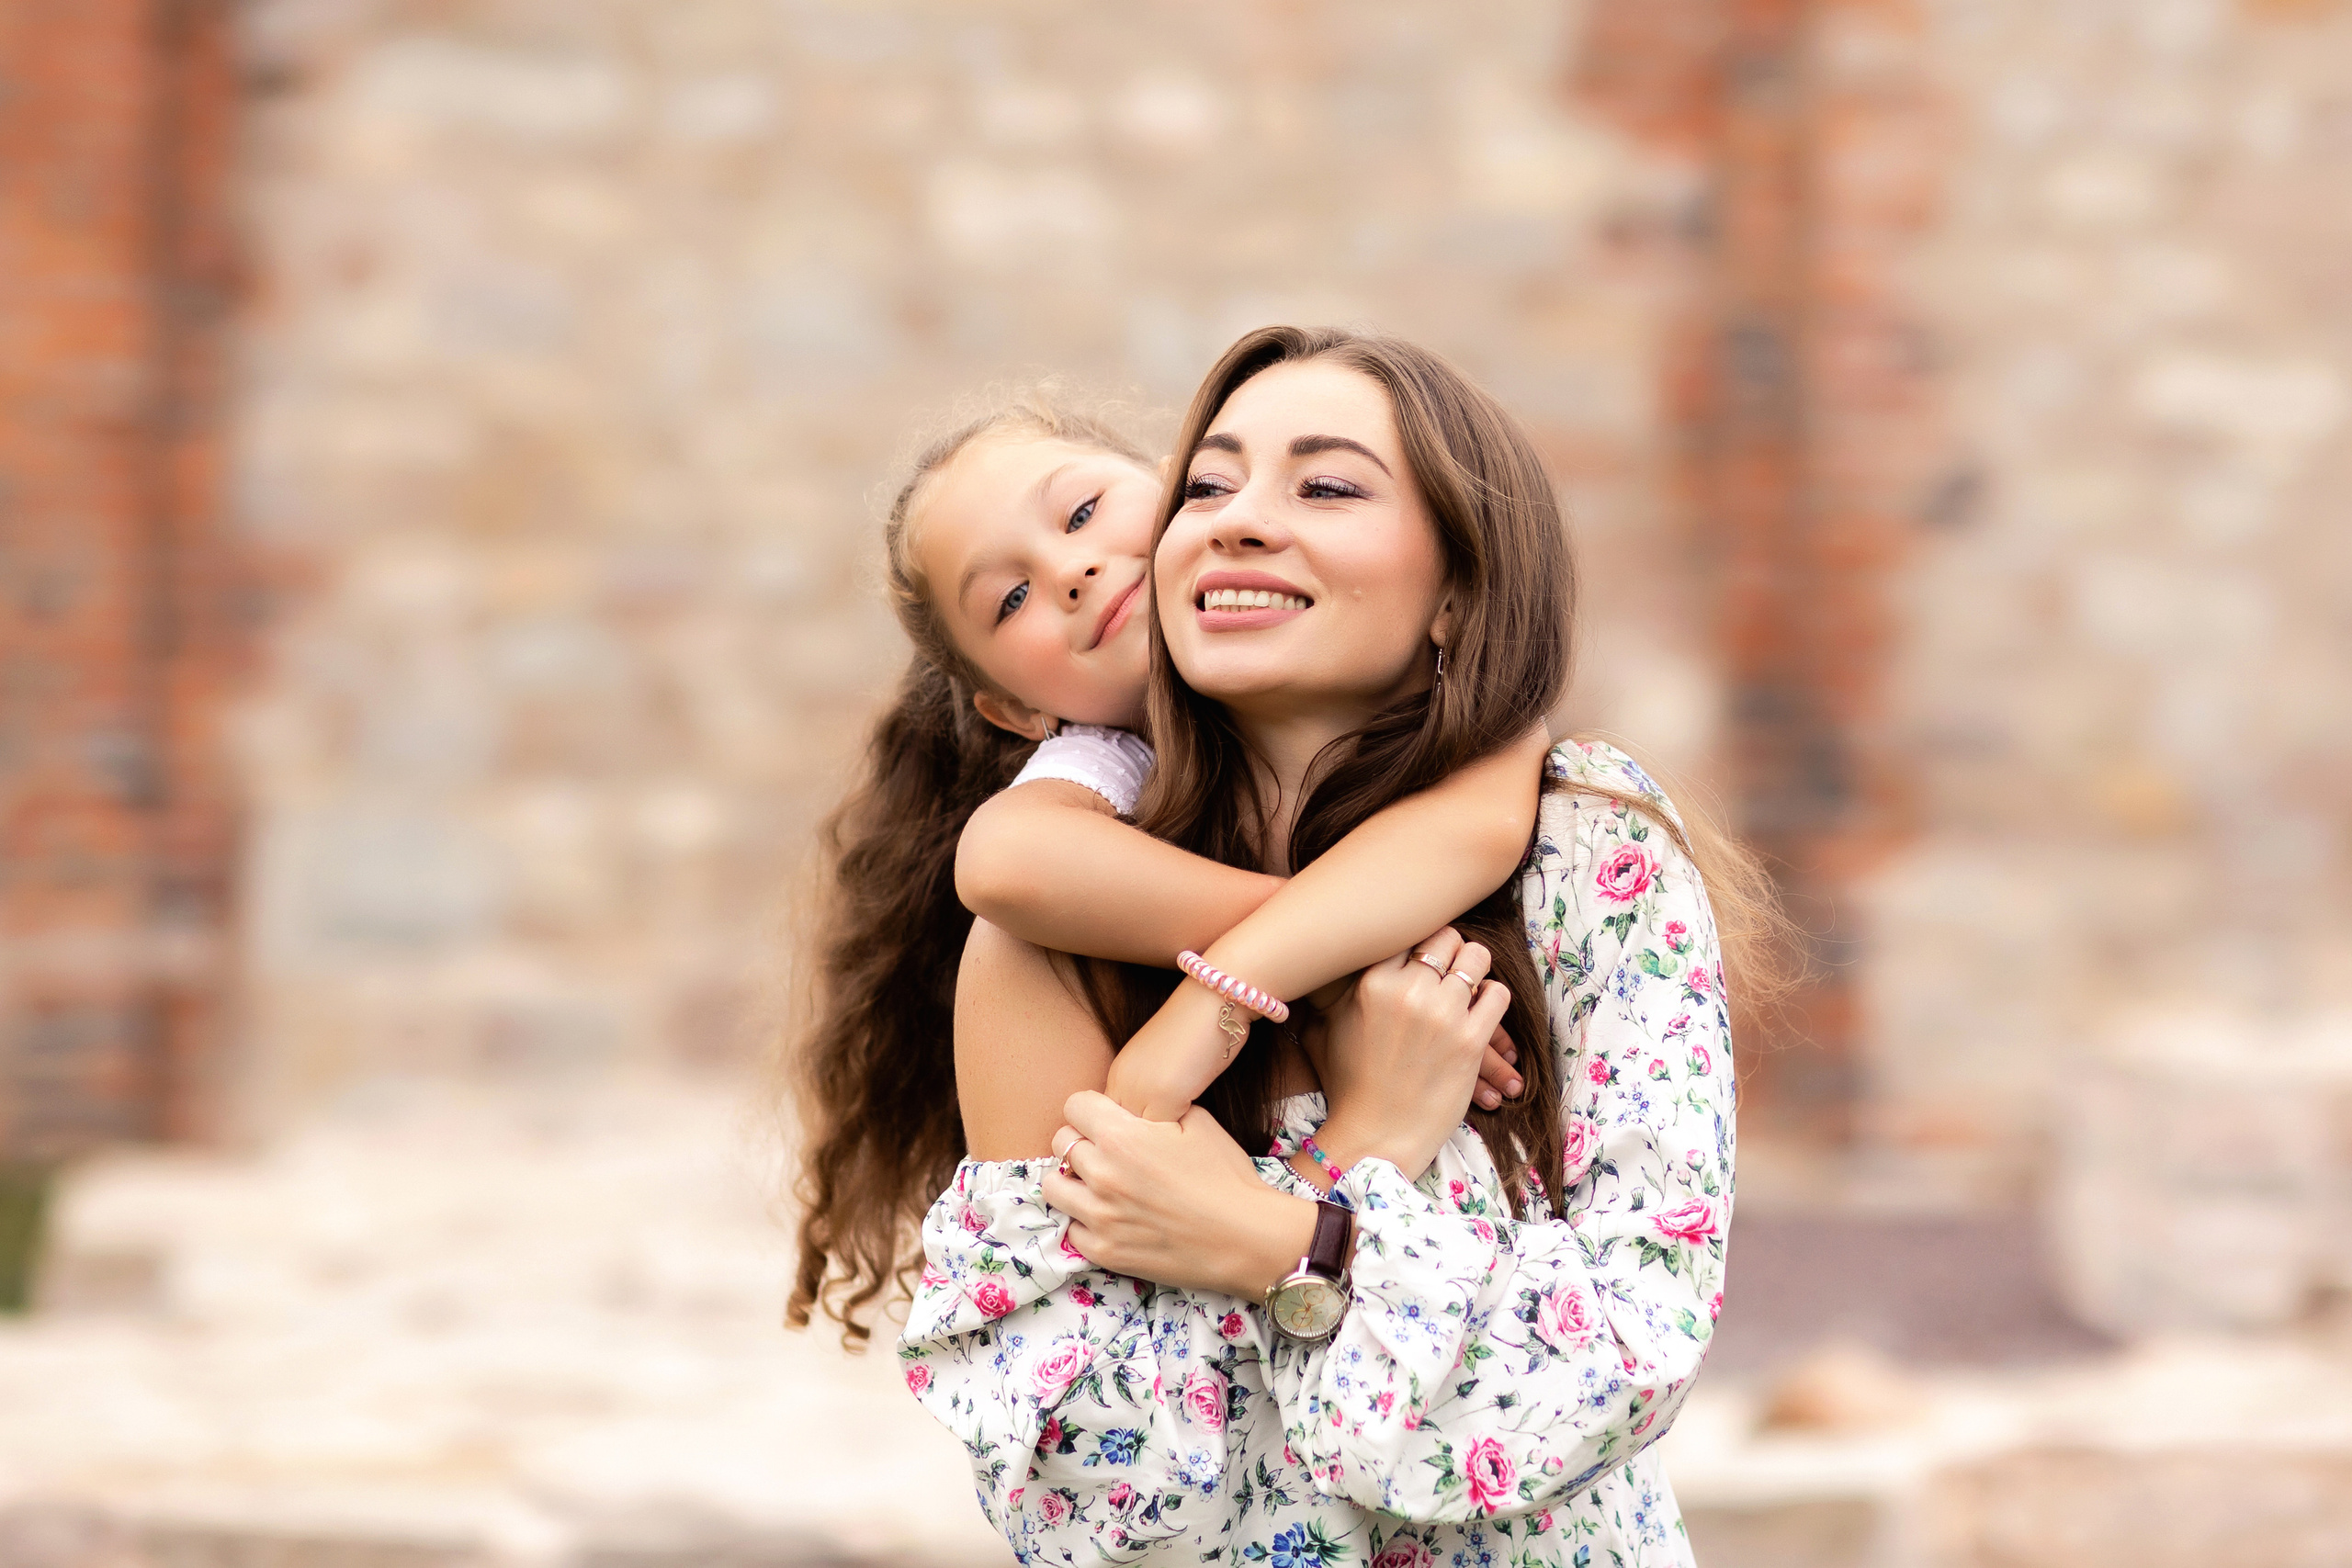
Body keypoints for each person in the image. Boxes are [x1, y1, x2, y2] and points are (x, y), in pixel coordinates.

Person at [901, 328, 1773, 1566]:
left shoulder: (1578, 850)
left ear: (1459, 585)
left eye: (1328, 483)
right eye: (1212, 484)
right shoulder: (1047, 952)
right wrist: (1362, 1141)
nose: (1242, 519)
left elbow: (1623, 1360)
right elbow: (1102, 1514)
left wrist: (1280, 1241)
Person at [786, 383, 1556, 1345]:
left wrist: (1233, 986)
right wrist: (1335, 954)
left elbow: (1475, 821)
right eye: (1012, 597)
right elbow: (1003, 860)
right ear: (1017, 714)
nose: (1070, 569)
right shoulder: (1112, 766)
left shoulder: (1453, 731)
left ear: (1182, 494)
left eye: (1080, 513)